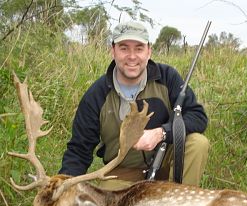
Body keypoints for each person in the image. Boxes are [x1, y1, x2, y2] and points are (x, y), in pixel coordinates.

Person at [59, 21, 209, 189]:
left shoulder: (167, 77)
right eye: (124, 48)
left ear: (149, 51)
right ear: (113, 50)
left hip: (166, 165)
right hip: (121, 173)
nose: (132, 56)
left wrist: (161, 134)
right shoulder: (96, 95)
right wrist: (63, 185)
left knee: (197, 143)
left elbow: (198, 117)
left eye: (139, 48)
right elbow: (79, 150)